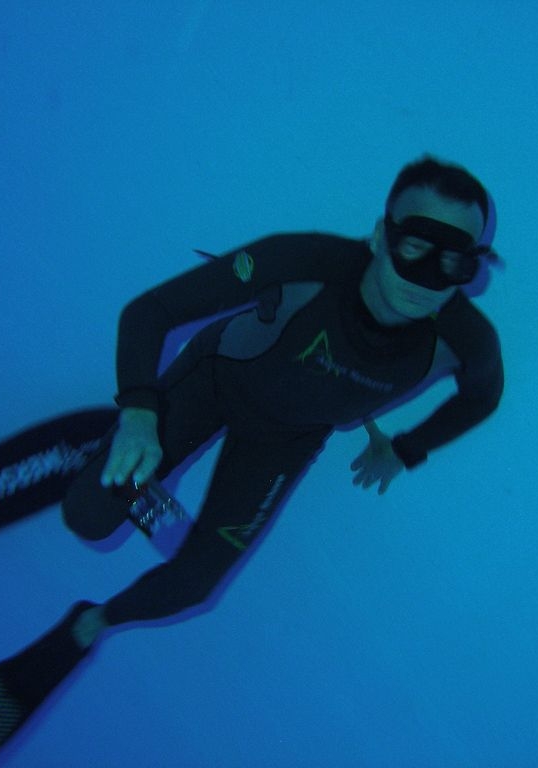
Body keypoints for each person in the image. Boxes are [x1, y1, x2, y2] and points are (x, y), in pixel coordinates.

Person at [68, 156, 504, 647]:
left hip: (285, 439)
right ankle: (113, 452)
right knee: (88, 517)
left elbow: (483, 398)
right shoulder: (305, 261)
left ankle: (94, 622)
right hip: (213, 379)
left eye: (452, 262)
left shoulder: (466, 339)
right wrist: (138, 412)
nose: (425, 279)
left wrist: (405, 450)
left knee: (193, 584)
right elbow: (150, 312)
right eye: (415, 247)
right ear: (381, 237)